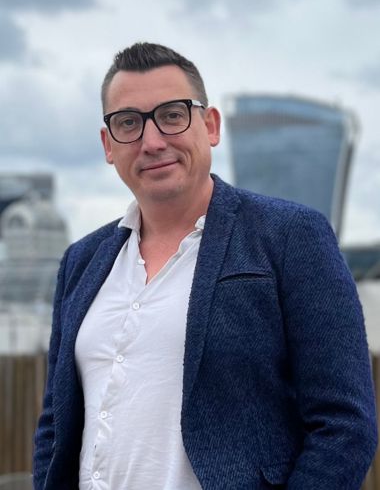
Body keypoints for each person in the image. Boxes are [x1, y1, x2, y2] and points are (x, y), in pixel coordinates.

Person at [33, 42, 377, 490]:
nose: (152, 141)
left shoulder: (291, 236)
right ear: (108, 145)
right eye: (129, 123)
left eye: (172, 115)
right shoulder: (80, 262)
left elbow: (345, 426)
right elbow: (54, 427)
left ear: (210, 125)